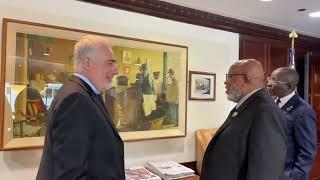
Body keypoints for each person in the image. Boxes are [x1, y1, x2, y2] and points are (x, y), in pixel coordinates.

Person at [36, 35, 124, 180]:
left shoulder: (85, 93)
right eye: (110, 63)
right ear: (87, 63)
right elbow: (70, 175)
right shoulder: (76, 100)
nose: (116, 70)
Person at [201, 59, 287, 180]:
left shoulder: (266, 111)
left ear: (247, 79)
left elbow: (265, 170)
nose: (226, 82)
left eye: (230, 77)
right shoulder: (246, 106)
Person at [267, 67, 317, 180]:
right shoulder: (270, 103)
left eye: (274, 81)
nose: (269, 83)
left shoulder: (303, 111)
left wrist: (295, 178)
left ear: (288, 86)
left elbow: (307, 152)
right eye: (269, 79)